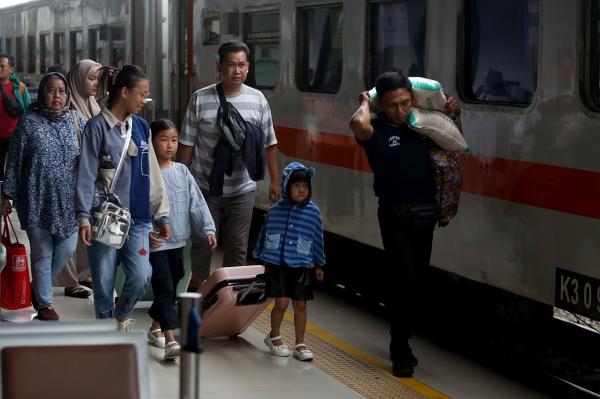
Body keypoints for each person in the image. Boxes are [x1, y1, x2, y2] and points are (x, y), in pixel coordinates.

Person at [349, 71, 461, 377]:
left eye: (404, 102)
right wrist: (364, 102)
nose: (400, 110)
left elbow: (454, 143)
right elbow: (358, 124)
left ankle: (402, 339)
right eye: (392, 104)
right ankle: (400, 348)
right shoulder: (377, 130)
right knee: (404, 276)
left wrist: (454, 110)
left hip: (425, 212)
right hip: (393, 213)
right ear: (381, 106)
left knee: (416, 281)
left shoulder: (425, 125)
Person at [178, 40, 279, 292]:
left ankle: (227, 298)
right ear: (219, 66)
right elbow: (187, 144)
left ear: (248, 67)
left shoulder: (258, 100)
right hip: (204, 186)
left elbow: (270, 143)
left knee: (237, 247)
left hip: (242, 188)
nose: (237, 70)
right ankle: (196, 293)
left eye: (242, 65)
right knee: (203, 243)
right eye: (231, 65)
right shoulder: (200, 99)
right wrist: (178, 183)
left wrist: (275, 181)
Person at [76, 64, 171, 329]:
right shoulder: (96, 128)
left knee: (142, 275)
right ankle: (107, 332)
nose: (145, 100)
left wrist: (161, 212)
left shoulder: (141, 127)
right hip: (105, 218)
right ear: (125, 92)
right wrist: (84, 217)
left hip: (138, 218)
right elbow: (85, 175)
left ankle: (120, 313)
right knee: (104, 283)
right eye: (142, 94)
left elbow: (151, 170)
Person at [2, 72, 83, 320]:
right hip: (36, 198)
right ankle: (45, 303)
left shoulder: (76, 120)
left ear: (68, 94)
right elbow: (14, 161)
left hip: (68, 200)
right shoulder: (29, 122)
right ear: (43, 92)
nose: (57, 96)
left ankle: (38, 287)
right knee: (42, 251)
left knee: (68, 247)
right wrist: (7, 195)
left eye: (61, 91)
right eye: (51, 90)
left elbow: (89, 160)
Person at [146, 119, 217, 360]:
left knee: (173, 282)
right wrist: (146, 231)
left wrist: (208, 229)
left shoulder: (182, 172)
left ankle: (155, 326)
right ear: (152, 141)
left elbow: (196, 203)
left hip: (178, 242)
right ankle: (170, 339)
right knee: (165, 287)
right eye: (163, 139)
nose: (169, 145)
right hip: (156, 244)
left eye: (174, 140)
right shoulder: (146, 172)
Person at [252, 161, 325, 361]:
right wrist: (262, 259)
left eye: (306, 186)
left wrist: (319, 263)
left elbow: (317, 238)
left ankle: (300, 344)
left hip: (301, 265)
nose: (302, 190)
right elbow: (264, 234)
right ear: (286, 187)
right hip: (277, 264)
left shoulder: (313, 212)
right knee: (281, 303)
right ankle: (274, 336)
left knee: (300, 305)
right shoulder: (275, 210)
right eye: (296, 185)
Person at [53, 59, 102, 299]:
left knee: (85, 231)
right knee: (70, 232)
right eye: (91, 78)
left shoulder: (93, 105)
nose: (96, 84)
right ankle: (70, 281)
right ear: (78, 79)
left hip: (91, 179)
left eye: (98, 78)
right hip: (72, 181)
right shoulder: (69, 109)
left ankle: (83, 274)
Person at [0, 54, 31, 181]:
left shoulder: (20, 88)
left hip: (15, 137)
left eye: (2, 66)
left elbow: (28, 110)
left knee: (14, 170)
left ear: (11, 69)